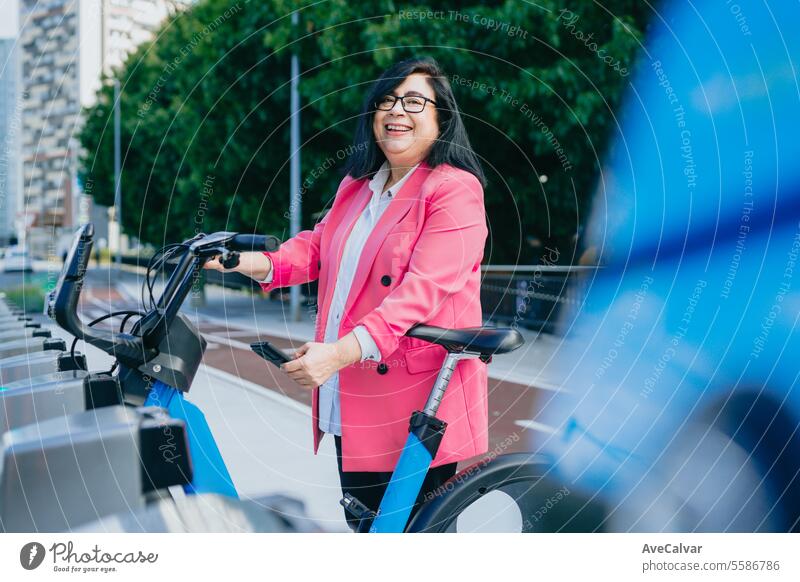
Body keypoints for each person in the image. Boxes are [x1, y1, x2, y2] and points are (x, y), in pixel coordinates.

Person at [206, 56, 489, 531]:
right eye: (386, 100)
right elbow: (314, 250)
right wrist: (237, 261)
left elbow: (421, 292)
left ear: (442, 117)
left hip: (415, 396)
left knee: (414, 539)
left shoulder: (455, 190)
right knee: (366, 527)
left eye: (415, 100)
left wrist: (337, 353)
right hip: (354, 388)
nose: (397, 110)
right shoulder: (357, 187)